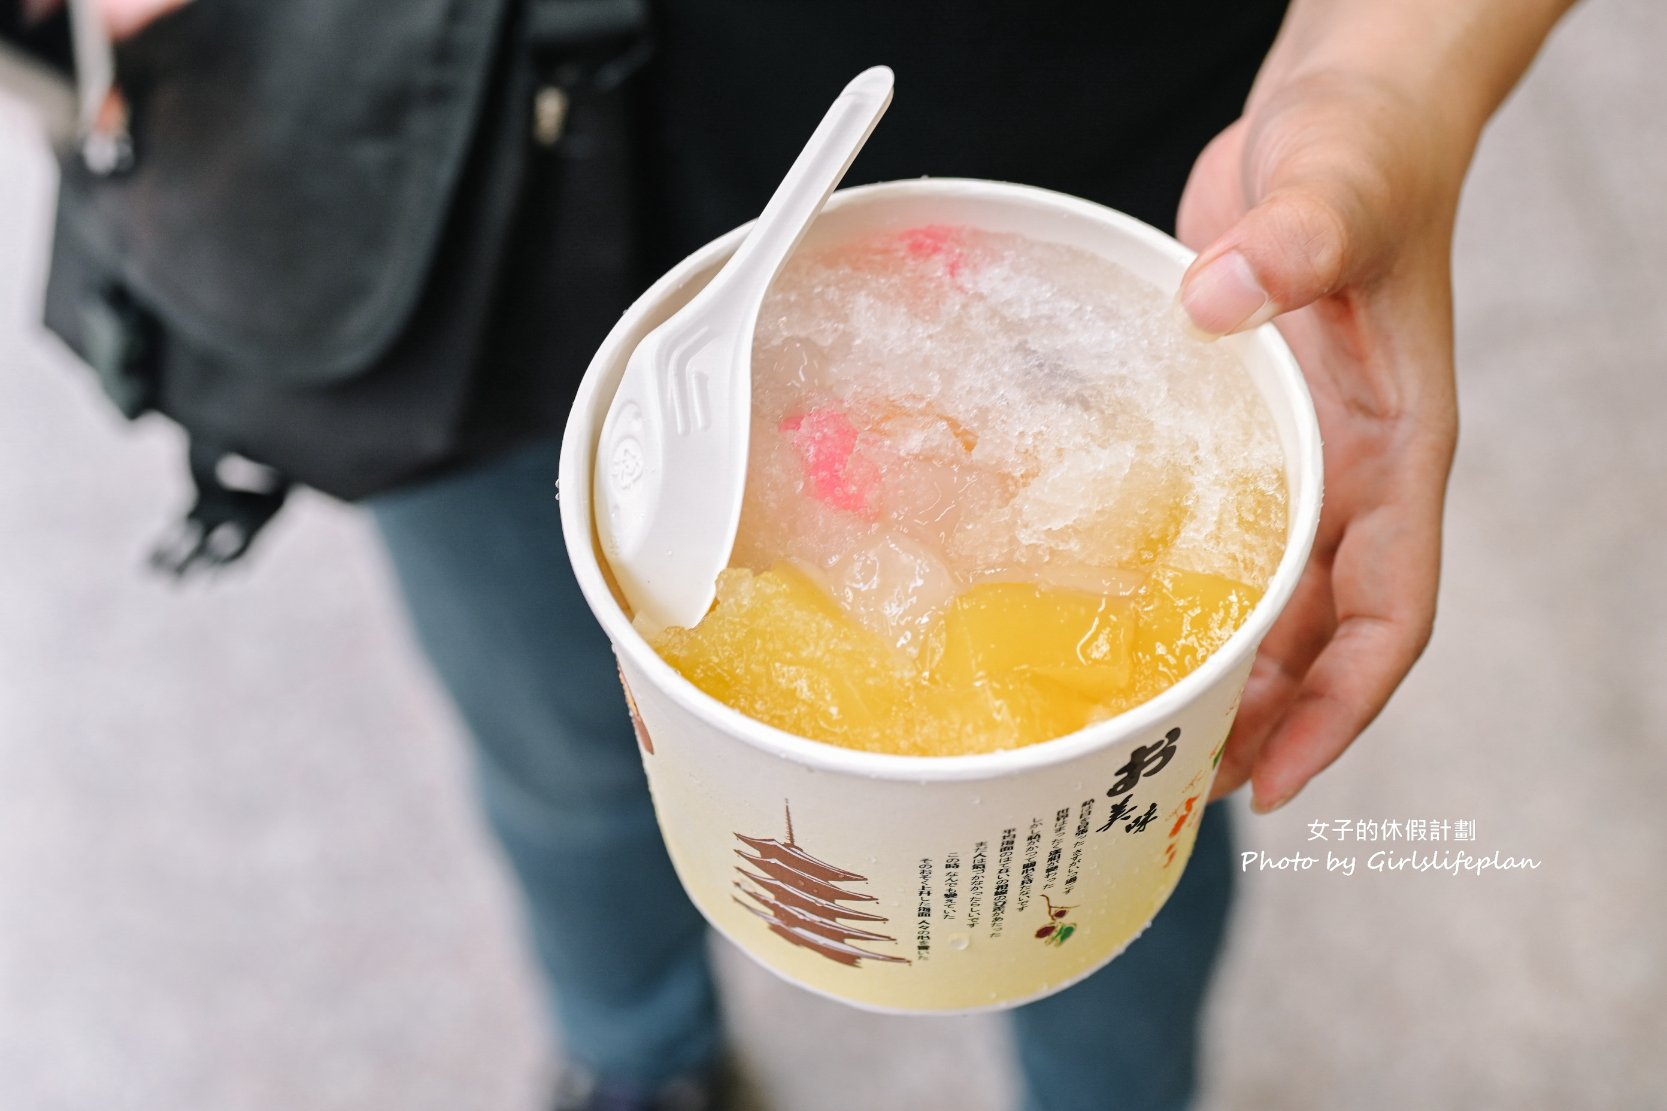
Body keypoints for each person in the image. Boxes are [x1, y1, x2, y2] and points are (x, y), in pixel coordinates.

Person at [9, 0, 1575, 1108]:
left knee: (1109, 806)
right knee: (568, 753)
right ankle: (639, 1057)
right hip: (441, 200)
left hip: (1089, 207)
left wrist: (1392, 75)